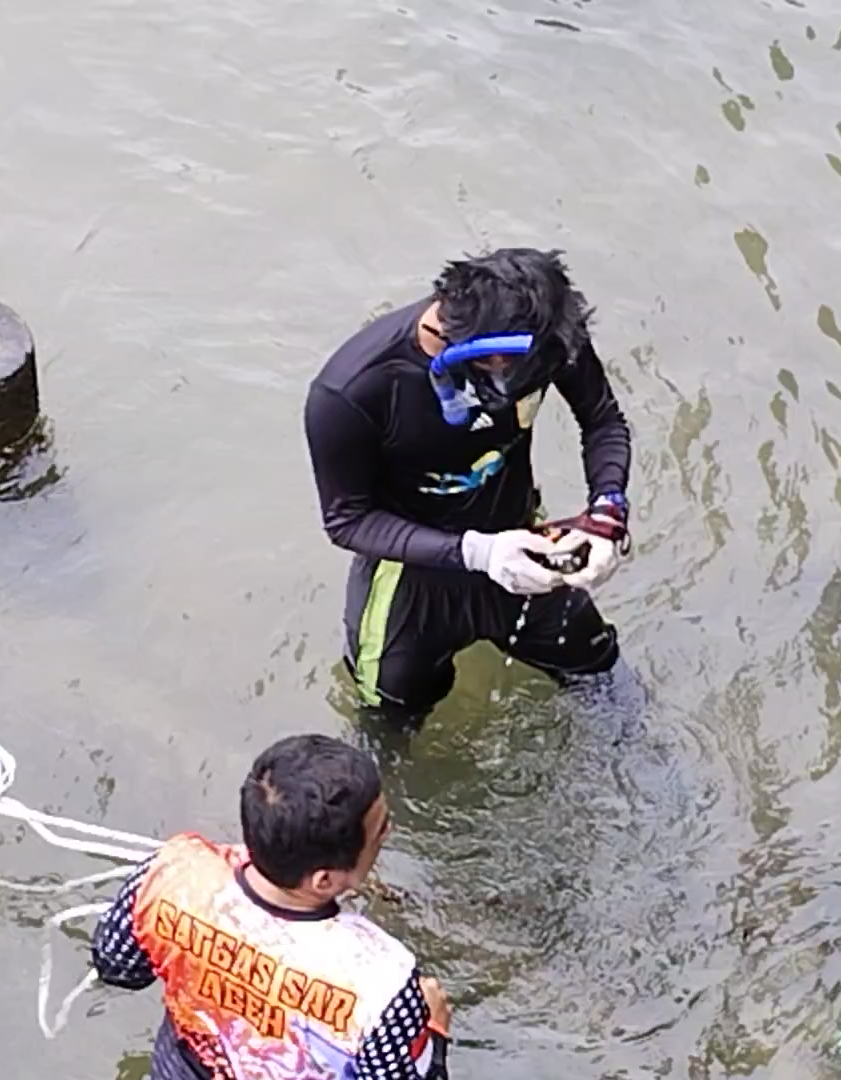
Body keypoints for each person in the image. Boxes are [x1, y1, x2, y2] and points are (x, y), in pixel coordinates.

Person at [304, 247, 634, 723]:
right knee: (389, 728)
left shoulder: (545, 334)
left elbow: (602, 419)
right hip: (409, 581)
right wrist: (479, 553)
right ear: (486, 355)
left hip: (524, 543)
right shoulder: (352, 390)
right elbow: (347, 520)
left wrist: (607, 512)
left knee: (606, 686)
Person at [90, 733, 452, 1079]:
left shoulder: (172, 874)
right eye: (381, 828)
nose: (388, 832)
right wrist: (432, 1031)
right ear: (323, 881)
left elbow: (117, 966)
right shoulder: (383, 983)